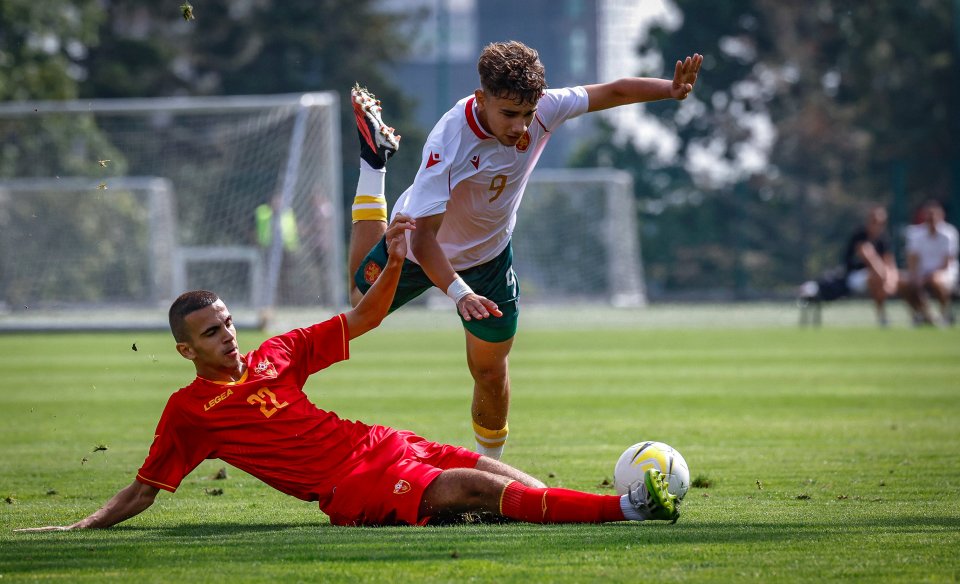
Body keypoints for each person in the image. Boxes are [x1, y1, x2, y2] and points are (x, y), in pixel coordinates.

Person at [14, 215, 679, 532]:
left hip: (386, 443)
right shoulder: (191, 411)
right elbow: (143, 489)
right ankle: (630, 509)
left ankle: (574, 514)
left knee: (513, 482)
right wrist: (79, 528)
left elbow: (362, 317)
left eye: (227, 321)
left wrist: (393, 262)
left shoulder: (277, 353)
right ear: (187, 351)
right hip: (352, 486)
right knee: (477, 482)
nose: (228, 334)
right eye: (211, 331)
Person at [349, 40, 703, 459]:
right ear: (481, 98)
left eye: (528, 114)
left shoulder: (545, 109)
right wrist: (459, 293)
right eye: (509, 114)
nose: (520, 126)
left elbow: (614, 90)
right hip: (419, 248)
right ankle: (374, 164)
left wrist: (669, 89)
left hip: (490, 258)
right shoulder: (448, 142)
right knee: (359, 305)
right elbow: (425, 240)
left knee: (489, 369)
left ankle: (491, 470)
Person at [902, 200, 959, 326]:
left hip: (943, 273)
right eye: (929, 214)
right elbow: (912, 260)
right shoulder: (915, 234)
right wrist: (915, 276)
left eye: (934, 214)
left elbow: (946, 264)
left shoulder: (949, 234)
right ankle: (921, 314)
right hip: (921, 273)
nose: (931, 218)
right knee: (905, 283)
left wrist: (928, 277)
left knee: (936, 281)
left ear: (941, 216)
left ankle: (944, 314)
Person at [842, 205, 899, 326]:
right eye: (874, 221)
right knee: (876, 277)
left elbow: (890, 263)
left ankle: (920, 316)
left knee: (908, 282)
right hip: (855, 277)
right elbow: (869, 258)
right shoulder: (860, 235)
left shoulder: (884, 239)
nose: (877, 225)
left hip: (880, 276)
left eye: (881, 223)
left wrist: (891, 280)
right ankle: (882, 316)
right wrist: (886, 279)